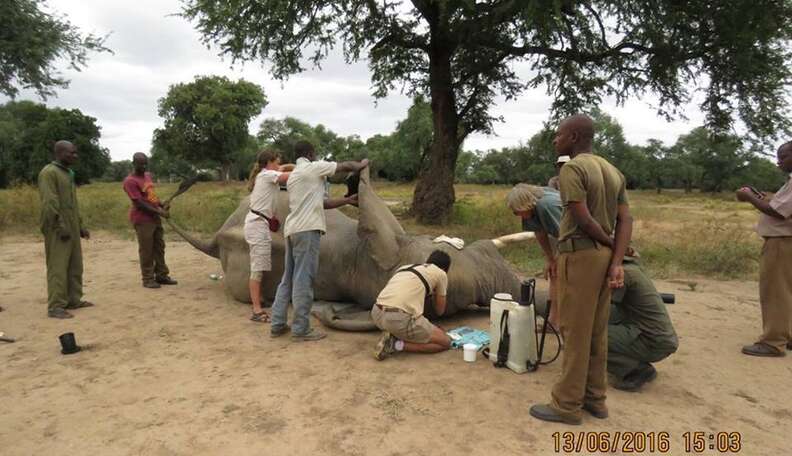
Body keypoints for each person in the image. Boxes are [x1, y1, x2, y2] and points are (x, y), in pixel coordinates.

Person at [530, 114, 632, 425]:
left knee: (574, 331)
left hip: (580, 255)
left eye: (558, 134)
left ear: (574, 137)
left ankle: (566, 405)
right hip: (603, 259)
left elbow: (583, 218)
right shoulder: (613, 171)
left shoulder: (572, 168)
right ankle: (595, 399)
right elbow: (626, 219)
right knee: (597, 331)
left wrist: (608, 241)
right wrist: (616, 257)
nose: (554, 139)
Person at [269, 141, 368, 342]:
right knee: (304, 279)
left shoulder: (296, 175)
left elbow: (322, 203)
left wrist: (347, 201)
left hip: (292, 230)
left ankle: (277, 323)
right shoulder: (313, 169)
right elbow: (345, 166)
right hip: (307, 230)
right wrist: (362, 164)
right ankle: (301, 329)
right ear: (311, 154)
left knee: (288, 278)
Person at [736, 141, 792, 357]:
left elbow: (778, 212)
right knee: (788, 290)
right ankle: (786, 335)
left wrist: (749, 197)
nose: (778, 161)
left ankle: (773, 342)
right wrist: (763, 199)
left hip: (782, 241)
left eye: (783, 156)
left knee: (775, 291)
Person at [38, 140, 94, 319]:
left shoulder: (68, 173)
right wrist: (59, 225)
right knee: (58, 266)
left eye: (75, 152)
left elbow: (72, 204)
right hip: (57, 227)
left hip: (71, 225)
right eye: (72, 153)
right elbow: (50, 202)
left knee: (75, 265)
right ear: (60, 153)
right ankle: (56, 306)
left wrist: (80, 225)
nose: (75, 156)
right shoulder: (49, 173)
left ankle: (73, 299)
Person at [608, 257, 678, 391]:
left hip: (652, 341)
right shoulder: (632, 268)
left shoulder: (623, 274)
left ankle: (635, 369)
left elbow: (599, 309)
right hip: (659, 338)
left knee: (587, 336)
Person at [372, 250, 453, 360]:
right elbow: (440, 310)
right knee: (445, 342)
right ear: (444, 269)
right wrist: (435, 292)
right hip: (398, 319)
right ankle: (395, 345)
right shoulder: (441, 273)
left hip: (377, 314)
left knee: (412, 322)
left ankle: (394, 334)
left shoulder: (404, 268)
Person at [506, 184, 562, 328]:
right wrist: (550, 258)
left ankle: (568, 324)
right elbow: (540, 232)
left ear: (525, 205)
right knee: (554, 274)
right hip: (563, 237)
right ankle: (553, 321)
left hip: (580, 237)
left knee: (566, 277)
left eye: (517, 211)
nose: (516, 215)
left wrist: (558, 258)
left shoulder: (546, 206)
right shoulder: (531, 209)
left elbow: (566, 234)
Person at [244, 149, 291, 323]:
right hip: (257, 224)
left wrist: (289, 165)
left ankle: (259, 301)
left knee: (260, 266)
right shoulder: (266, 176)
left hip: (260, 222)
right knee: (257, 269)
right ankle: (256, 309)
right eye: (276, 162)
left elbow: (282, 170)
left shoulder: (265, 174)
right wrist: (305, 169)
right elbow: (284, 176)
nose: (279, 165)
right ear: (269, 163)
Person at [122, 153, 177, 289]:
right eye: (141, 163)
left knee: (159, 247)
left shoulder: (147, 176)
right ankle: (147, 278)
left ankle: (162, 275)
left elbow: (150, 196)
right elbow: (139, 203)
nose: (144, 166)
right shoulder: (130, 181)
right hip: (142, 220)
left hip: (154, 217)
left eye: (145, 163)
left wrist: (160, 204)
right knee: (147, 250)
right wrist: (160, 211)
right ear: (133, 163)